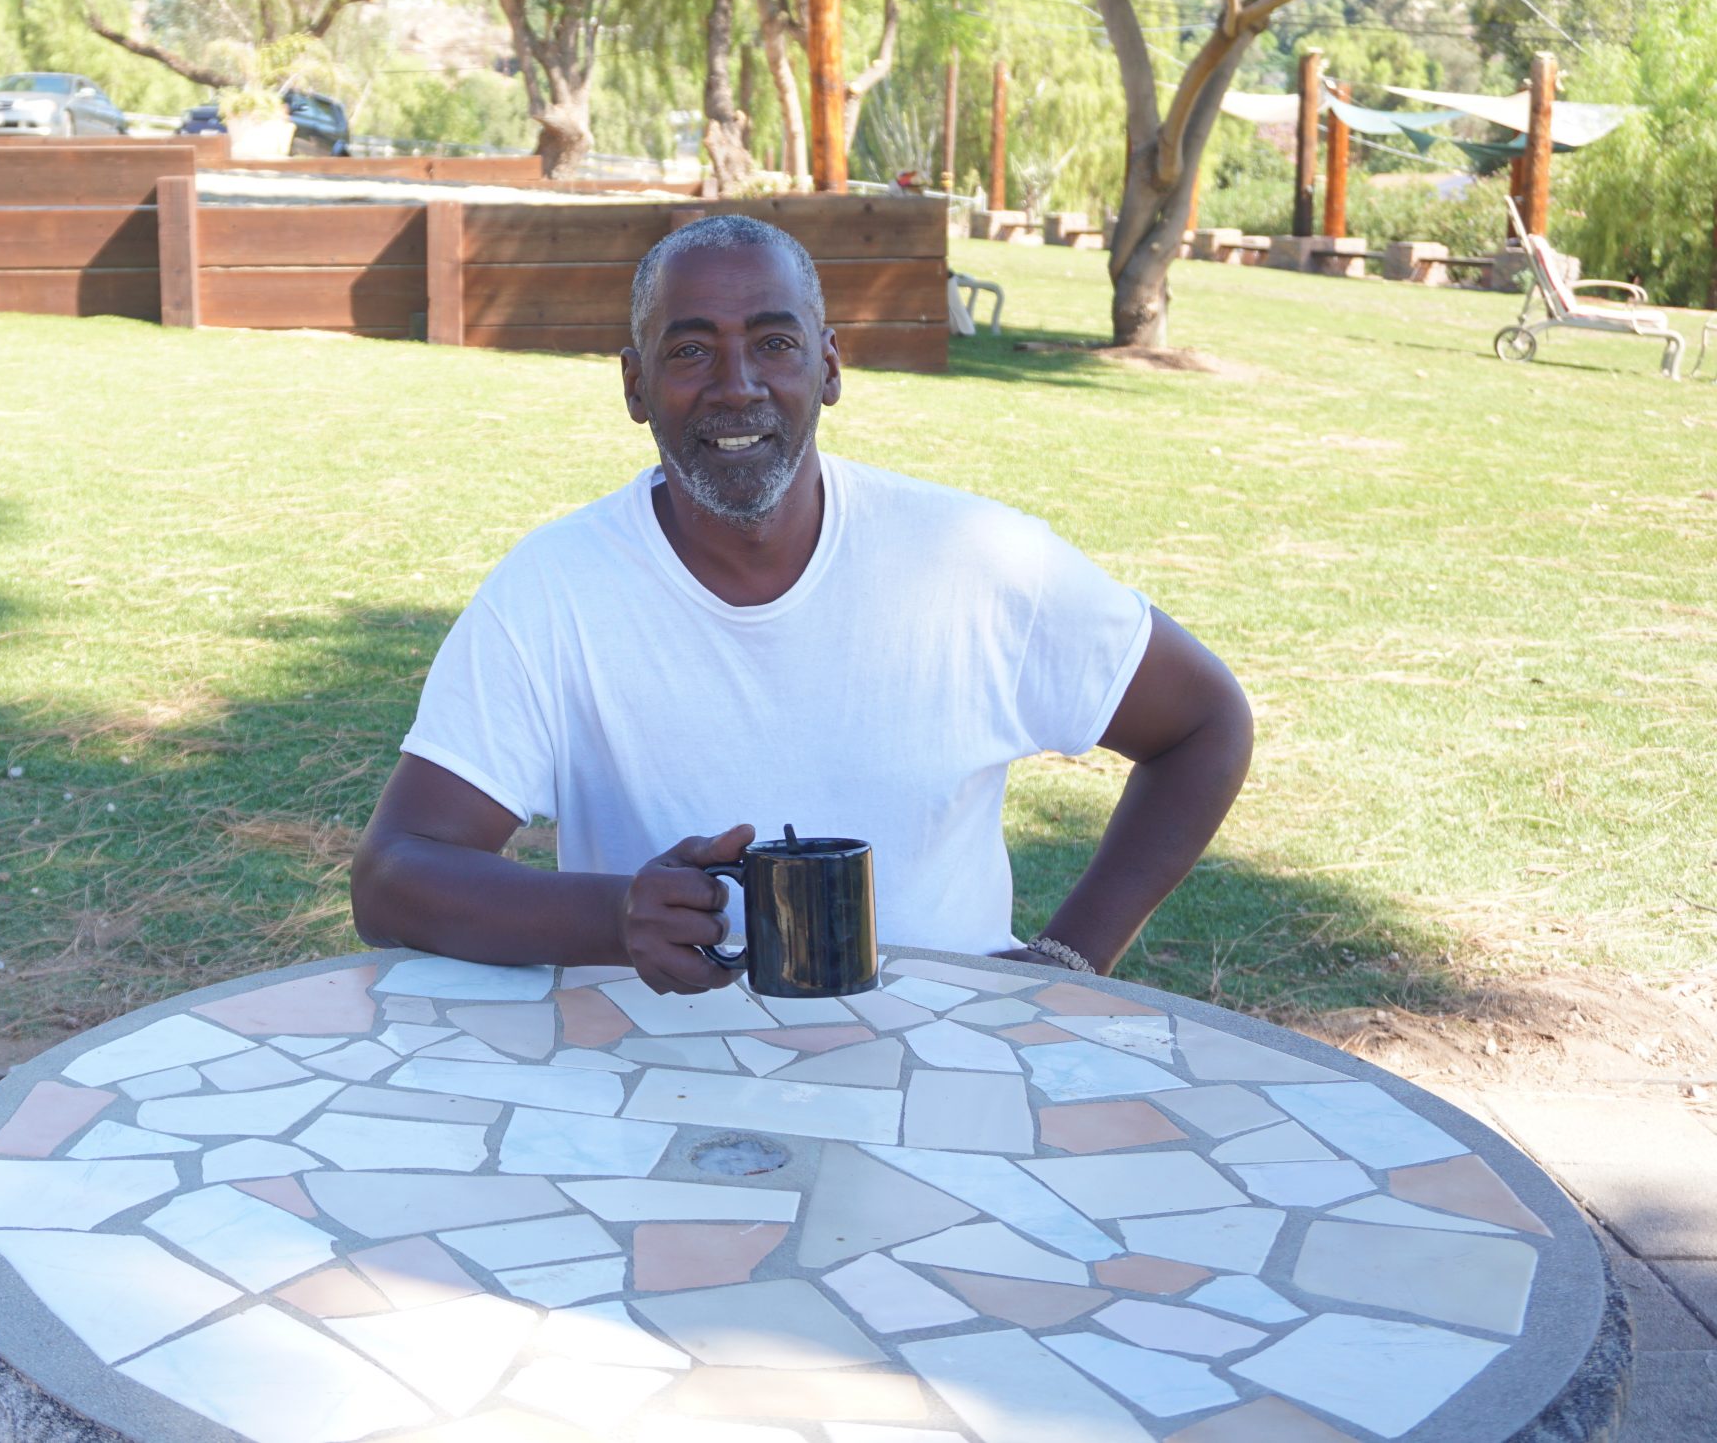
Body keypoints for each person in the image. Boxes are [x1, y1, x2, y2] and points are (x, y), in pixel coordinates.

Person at [350, 215, 1253, 996]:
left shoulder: (976, 562)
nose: (736, 383)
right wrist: (616, 912)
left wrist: (1066, 961)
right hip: (655, 1079)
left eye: (775, 343)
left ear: (828, 367)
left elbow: (1206, 723)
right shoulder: (554, 591)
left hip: (938, 1077)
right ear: (635, 385)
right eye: (691, 349)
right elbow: (393, 876)